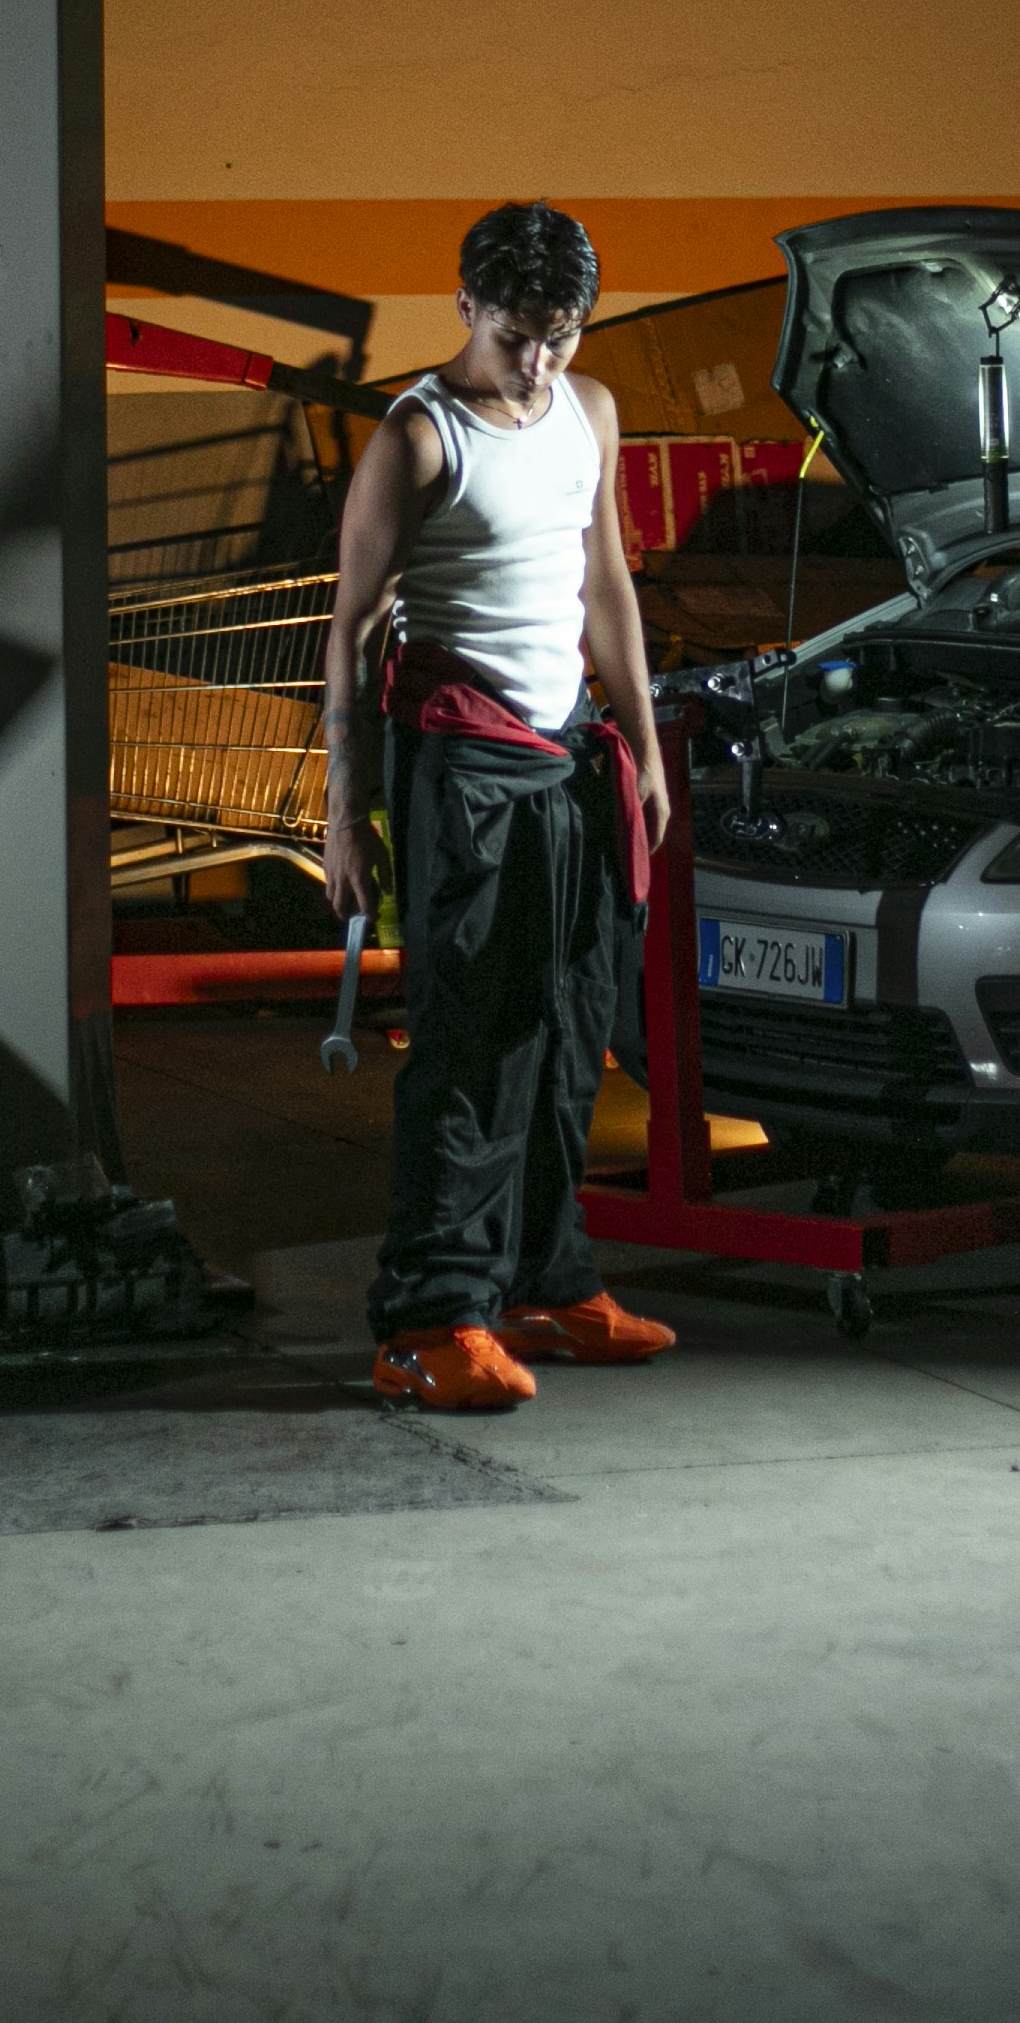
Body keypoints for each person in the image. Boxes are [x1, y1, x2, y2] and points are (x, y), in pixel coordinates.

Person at [320, 201, 682, 1411]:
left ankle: (546, 1284)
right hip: (462, 763)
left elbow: (607, 581)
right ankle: (428, 1320)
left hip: (569, 758)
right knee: (471, 1043)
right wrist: (343, 816)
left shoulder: (589, 410)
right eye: (518, 334)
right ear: (467, 305)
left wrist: (642, 744)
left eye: (562, 335)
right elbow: (355, 632)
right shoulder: (420, 439)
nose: (538, 362)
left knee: (571, 1030)